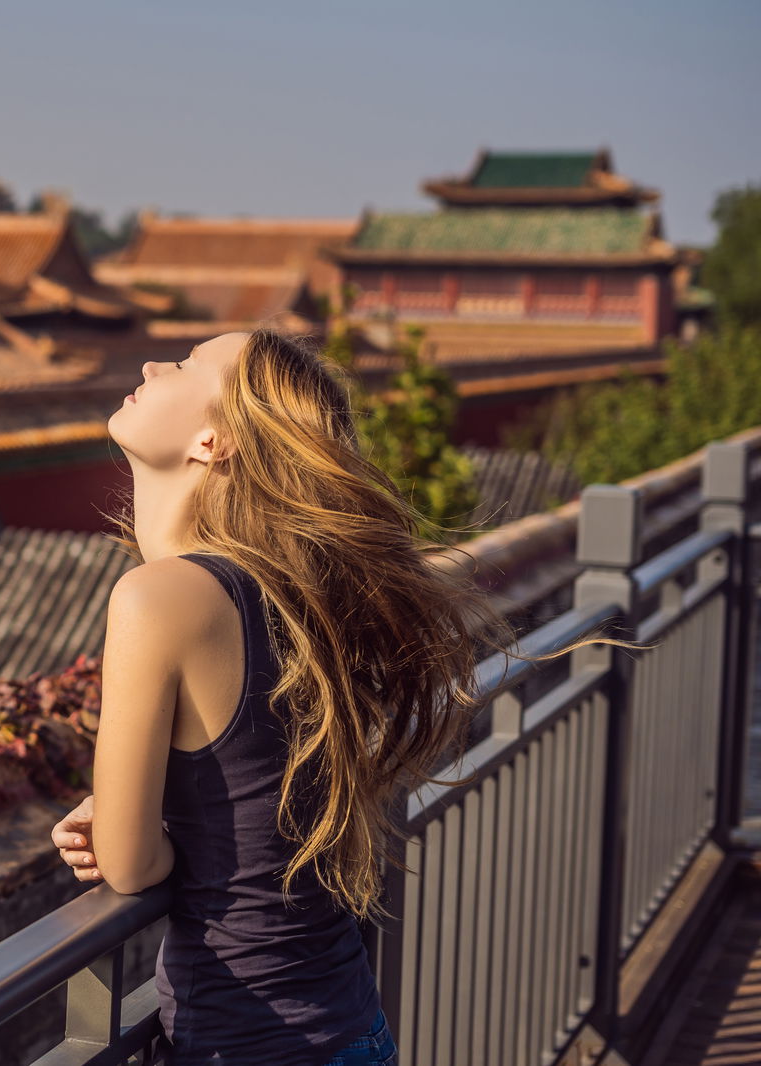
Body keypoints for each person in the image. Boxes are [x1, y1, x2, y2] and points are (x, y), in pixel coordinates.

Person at [48, 328, 616, 1065]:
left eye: (184, 365)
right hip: (350, 1025)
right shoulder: (291, 592)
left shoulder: (157, 598)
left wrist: (128, 816)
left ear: (213, 441)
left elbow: (129, 867)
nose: (153, 364)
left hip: (251, 1041)